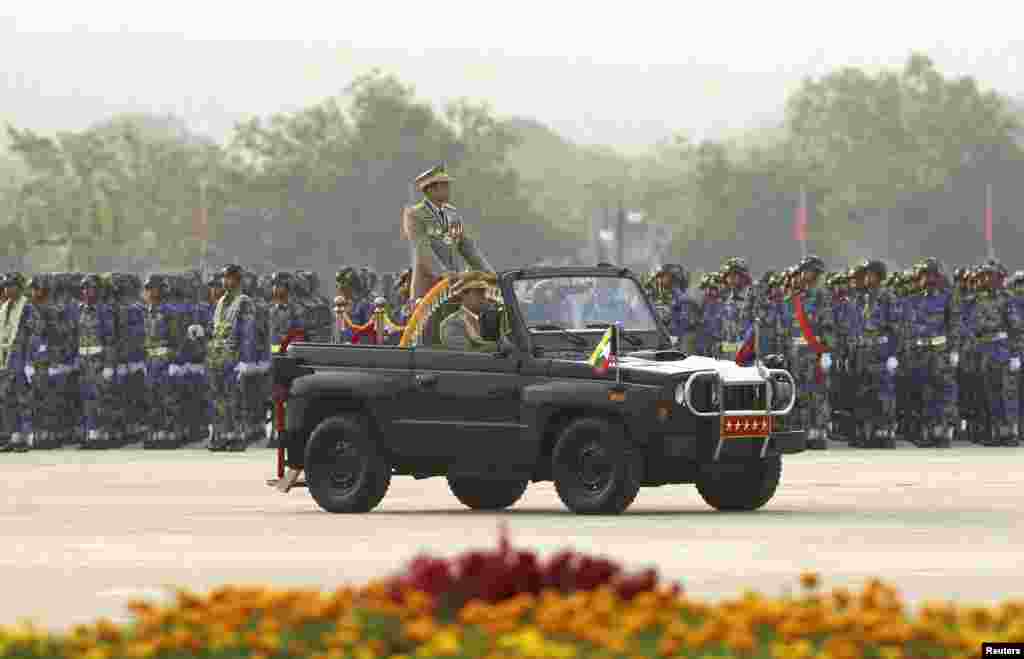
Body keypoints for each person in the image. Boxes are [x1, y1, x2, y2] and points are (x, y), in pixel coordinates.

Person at [402, 164, 493, 300]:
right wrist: (446, 275)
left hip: (455, 288)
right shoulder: (415, 214)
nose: (448, 189)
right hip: (429, 291)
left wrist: (489, 273)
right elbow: (423, 251)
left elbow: (467, 247)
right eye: (443, 185)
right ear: (430, 189)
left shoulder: (452, 213)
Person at [204, 264, 257, 451]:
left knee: (234, 398)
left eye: (229, 277)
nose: (225, 281)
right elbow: (216, 329)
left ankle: (238, 436)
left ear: (237, 280)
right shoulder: (220, 302)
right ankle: (222, 435)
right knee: (218, 399)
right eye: (224, 277)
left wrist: (245, 361)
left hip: (234, 357)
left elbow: (248, 334)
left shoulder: (244, 302)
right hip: (217, 357)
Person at [440, 271, 499, 352]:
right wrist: (497, 347)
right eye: (479, 292)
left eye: (486, 292)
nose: (485, 297)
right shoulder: (452, 324)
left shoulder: (491, 319)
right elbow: (466, 356)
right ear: (463, 294)